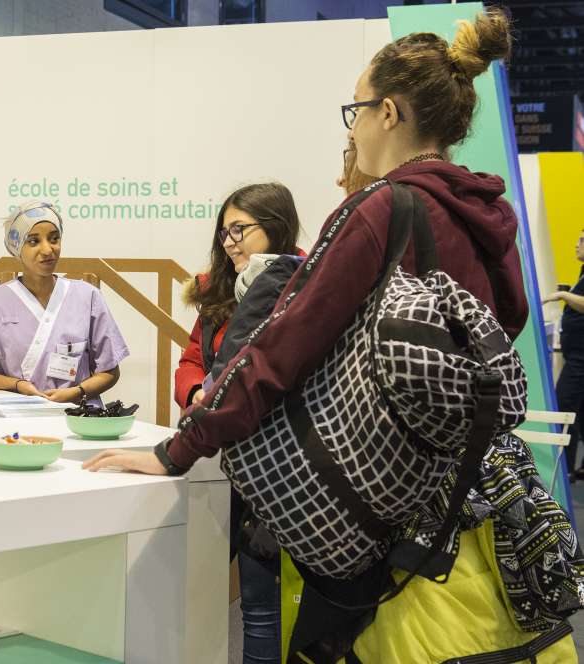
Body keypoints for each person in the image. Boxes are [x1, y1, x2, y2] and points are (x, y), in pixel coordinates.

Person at [86, 9, 580, 662]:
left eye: (357, 108)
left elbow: (280, 348)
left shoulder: (380, 208)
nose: (354, 126)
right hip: (472, 498)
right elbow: (501, 330)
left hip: (379, 505)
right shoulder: (489, 215)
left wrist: (178, 450)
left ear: (389, 113)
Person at [175, 182, 303, 664]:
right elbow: (192, 359)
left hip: (278, 463)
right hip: (220, 457)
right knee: (215, 588)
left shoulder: (308, 285)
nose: (229, 243)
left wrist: (219, 397)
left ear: (275, 227)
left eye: (239, 230)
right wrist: (196, 392)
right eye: (224, 232)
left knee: (263, 602)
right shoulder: (219, 287)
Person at [0, 201, 128, 405]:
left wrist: (77, 392)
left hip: (78, 414)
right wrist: (17, 385)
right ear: (17, 248)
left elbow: (109, 371)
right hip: (19, 414)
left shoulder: (88, 297)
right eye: (33, 241)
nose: (47, 250)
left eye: (54, 239)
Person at [544, 229, 584, 480]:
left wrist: (561, 295)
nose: (577, 244)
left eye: (582, 240)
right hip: (576, 354)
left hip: (581, 358)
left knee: (564, 405)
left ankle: (565, 470)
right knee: (580, 412)